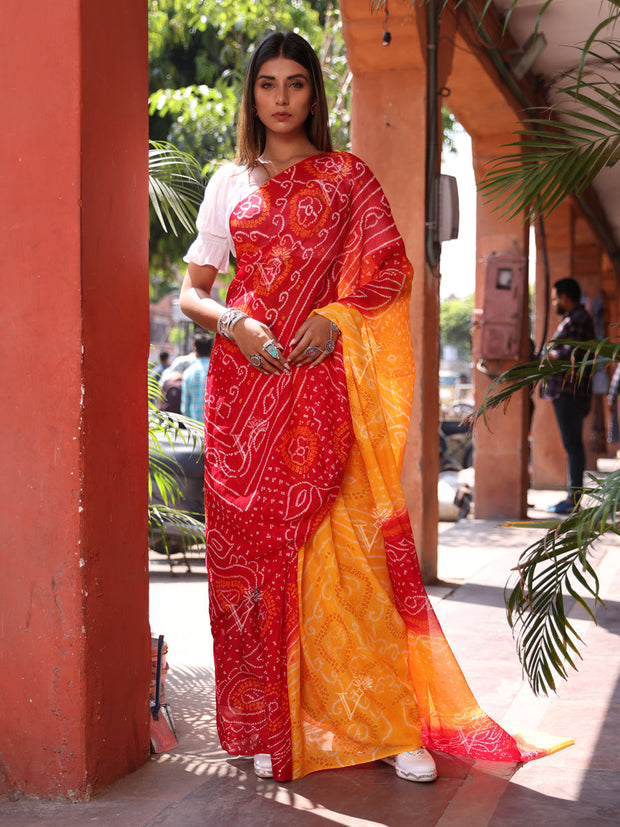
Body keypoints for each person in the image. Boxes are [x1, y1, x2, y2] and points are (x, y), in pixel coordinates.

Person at [179, 31, 571, 783]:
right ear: (252, 95)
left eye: (297, 82)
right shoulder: (229, 181)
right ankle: (273, 719)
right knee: (261, 562)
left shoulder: (347, 176)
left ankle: (388, 721)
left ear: (314, 94)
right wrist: (236, 322)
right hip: (246, 392)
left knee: (351, 550)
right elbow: (194, 291)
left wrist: (339, 316)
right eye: (268, 83)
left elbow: (389, 269)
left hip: (323, 382)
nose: (282, 97)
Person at [542, 277, 595, 514]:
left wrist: (547, 355)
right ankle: (572, 497)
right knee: (572, 445)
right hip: (567, 391)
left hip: (569, 391)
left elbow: (571, 353)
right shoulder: (573, 320)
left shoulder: (578, 319)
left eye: (555, 298)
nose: (554, 303)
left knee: (573, 446)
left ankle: (573, 500)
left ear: (564, 297)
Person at [181, 334, 213, 423]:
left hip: (196, 426)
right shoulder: (218, 371)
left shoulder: (188, 373)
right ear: (211, 349)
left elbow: (185, 407)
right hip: (215, 427)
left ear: (195, 350)